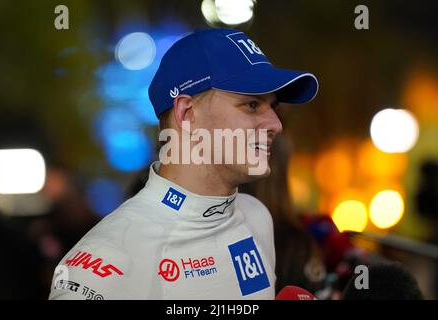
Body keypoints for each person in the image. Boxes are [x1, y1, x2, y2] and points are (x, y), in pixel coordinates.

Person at [49, 28, 318, 299]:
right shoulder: (102, 266)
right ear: (188, 115)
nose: (276, 124)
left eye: (273, 107)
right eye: (251, 105)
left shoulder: (257, 217)